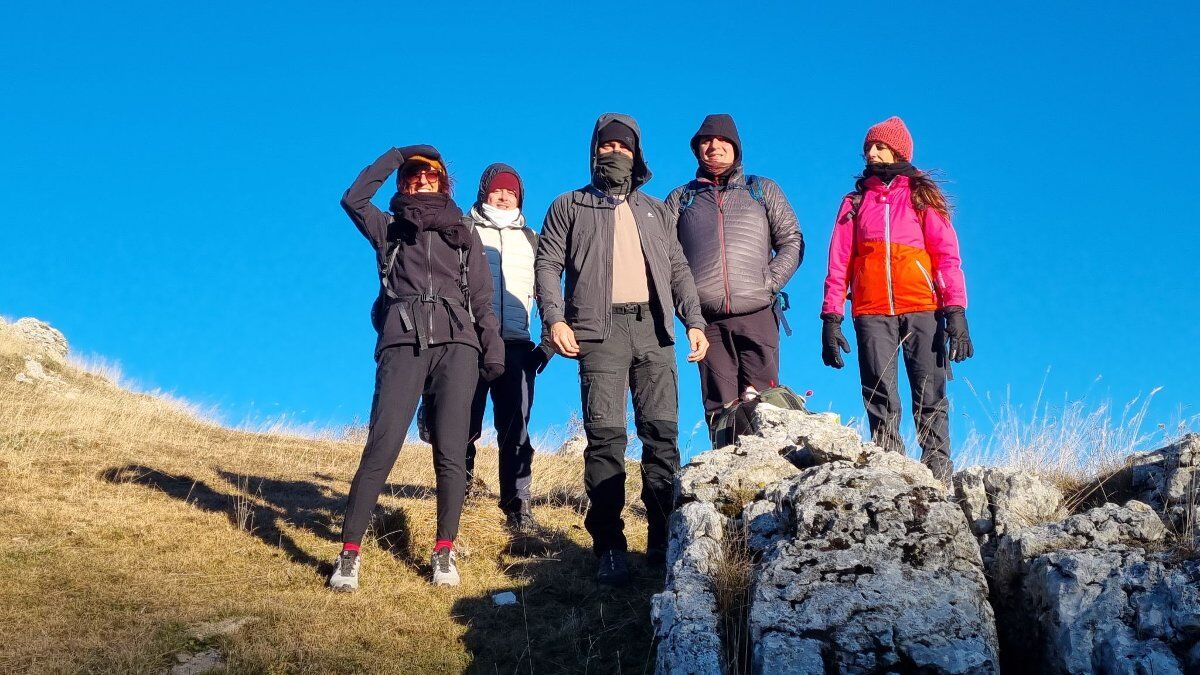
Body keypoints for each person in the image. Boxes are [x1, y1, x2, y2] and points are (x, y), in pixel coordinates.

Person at [535, 113, 709, 585]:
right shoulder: (568, 205)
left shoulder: (657, 210)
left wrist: (693, 321)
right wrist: (554, 319)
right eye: (608, 146)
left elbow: (678, 271)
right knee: (606, 440)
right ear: (594, 151)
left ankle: (661, 541)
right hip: (599, 332)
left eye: (626, 147)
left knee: (662, 438)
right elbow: (547, 263)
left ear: (638, 154)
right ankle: (609, 546)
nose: (617, 153)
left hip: (654, 332)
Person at [329, 145, 505, 590]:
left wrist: (493, 348)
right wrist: (396, 154)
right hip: (402, 342)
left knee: (449, 453)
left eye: (430, 176)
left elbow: (481, 299)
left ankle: (443, 551)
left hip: (458, 345)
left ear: (444, 183)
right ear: (402, 182)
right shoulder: (388, 229)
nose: (421, 181)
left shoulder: (464, 233)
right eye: (412, 175)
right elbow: (353, 199)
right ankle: (350, 552)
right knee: (382, 445)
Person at [820, 116, 973, 483]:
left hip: (922, 307)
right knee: (879, 395)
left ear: (899, 150)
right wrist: (831, 316)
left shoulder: (921, 194)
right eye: (869, 147)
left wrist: (955, 311)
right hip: (871, 312)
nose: (871, 153)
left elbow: (946, 257)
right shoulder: (855, 202)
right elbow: (839, 261)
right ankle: (891, 477)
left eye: (879, 146)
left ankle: (939, 479)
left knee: (930, 394)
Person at [665, 114, 803, 426]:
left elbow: (792, 240)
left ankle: (771, 470)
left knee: (764, 403)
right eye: (705, 141)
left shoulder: (761, 190)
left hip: (758, 312)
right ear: (697, 150)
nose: (713, 146)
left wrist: (769, 282)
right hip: (706, 320)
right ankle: (725, 473)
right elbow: (664, 258)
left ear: (735, 147)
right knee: (721, 409)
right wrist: (687, 308)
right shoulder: (680, 199)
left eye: (722, 140)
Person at [462, 163, 553, 536]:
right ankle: (459, 490)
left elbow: (549, 290)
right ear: (484, 192)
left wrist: (547, 342)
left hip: (517, 344)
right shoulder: (462, 231)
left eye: (510, 192)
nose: (503, 196)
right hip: (467, 342)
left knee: (516, 427)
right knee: (461, 423)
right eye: (497, 190)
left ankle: (518, 504)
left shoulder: (533, 239)